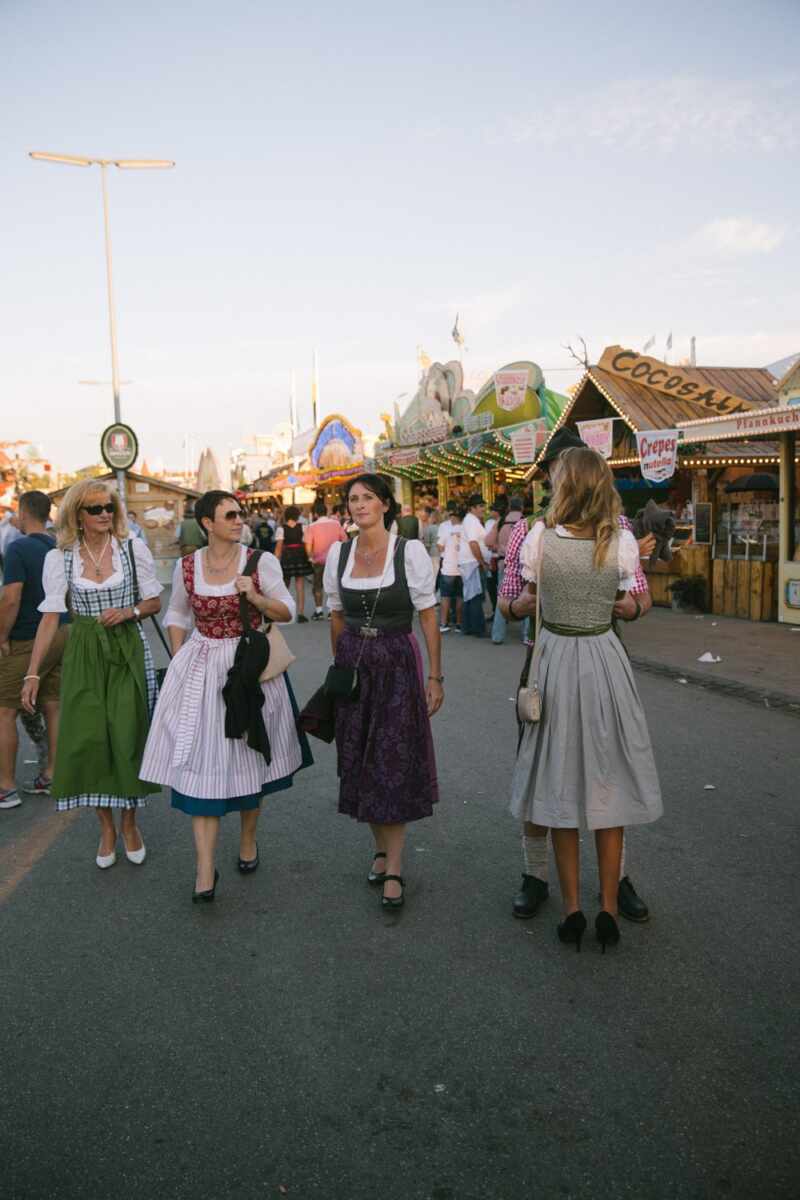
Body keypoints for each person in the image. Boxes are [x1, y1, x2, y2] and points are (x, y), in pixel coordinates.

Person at [498, 427, 655, 923]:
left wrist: (630, 610)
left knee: (606, 768)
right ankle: (536, 873)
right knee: (543, 765)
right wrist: (519, 604)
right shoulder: (528, 531)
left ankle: (613, 883)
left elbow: (641, 598)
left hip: (597, 649)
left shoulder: (617, 529)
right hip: (542, 658)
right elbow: (506, 602)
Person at [140, 489, 311, 902]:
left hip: (250, 667)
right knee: (200, 763)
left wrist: (254, 596)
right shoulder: (187, 566)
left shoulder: (260, 561)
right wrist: (181, 656)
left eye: (241, 514)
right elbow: (177, 614)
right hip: (202, 668)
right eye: (230, 515)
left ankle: (248, 838)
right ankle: (204, 870)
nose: (239, 521)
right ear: (207, 524)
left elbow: (286, 609)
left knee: (251, 755)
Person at [20, 481, 162, 868]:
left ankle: (130, 823)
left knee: (128, 733)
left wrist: (130, 612)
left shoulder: (132, 548)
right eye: (95, 509)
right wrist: (32, 674)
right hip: (83, 651)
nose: (105, 515)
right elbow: (50, 618)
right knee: (90, 737)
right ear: (77, 516)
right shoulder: (60, 558)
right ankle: (106, 828)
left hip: (127, 649)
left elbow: (153, 601)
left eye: (109, 508)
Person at [323, 474, 443, 909]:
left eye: (367, 498)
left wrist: (435, 677)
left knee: (391, 763)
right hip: (355, 665)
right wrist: (341, 672)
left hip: (396, 662)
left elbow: (428, 617)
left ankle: (394, 866)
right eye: (352, 499)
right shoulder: (338, 554)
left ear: (386, 505)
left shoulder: (408, 552)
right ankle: (379, 848)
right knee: (358, 761)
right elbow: (336, 618)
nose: (358, 505)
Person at [0, 492, 69, 808]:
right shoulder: (59, 545)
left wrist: (2, 636)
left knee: (5, 710)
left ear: (22, 511)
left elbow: (11, 598)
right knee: (52, 702)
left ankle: (6, 787)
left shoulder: (17, 547)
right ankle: (51, 775)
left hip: (29, 636)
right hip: (62, 632)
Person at [489, 496, 525, 644]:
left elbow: (488, 542)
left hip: (503, 564)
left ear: (510, 507)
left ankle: (497, 635)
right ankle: (527, 635)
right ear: (522, 507)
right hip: (523, 566)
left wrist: (500, 547)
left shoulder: (501, 522)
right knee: (526, 598)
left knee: (502, 598)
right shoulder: (526, 521)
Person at [304, 498, 346, 620]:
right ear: (326, 511)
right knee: (334, 585)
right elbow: (344, 540)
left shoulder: (311, 527)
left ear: (316, 514)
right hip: (335, 560)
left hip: (318, 561)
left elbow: (308, 545)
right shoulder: (336, 524)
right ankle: (332, 611)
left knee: (318, 586)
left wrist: (310, 557)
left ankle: (319, 611)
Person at [274, 505, 312, 622]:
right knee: (300, 585)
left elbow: (279, 548)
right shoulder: (303, 527)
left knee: (284, 585)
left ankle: (281, 611)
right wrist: (309, 557)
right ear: (297, 516)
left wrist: (275, 562)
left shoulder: (281, 529)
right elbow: (307, 544)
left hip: (287, 557)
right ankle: (300, 613)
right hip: (300, 556)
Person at [458, 493, 488, 637]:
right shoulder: (472, 521)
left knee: (470, 596)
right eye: (481, 506)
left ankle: (468, 627)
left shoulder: (471, 520)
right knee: (474, 596)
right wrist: (481, 561)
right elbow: (473, 543)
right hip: (471, 562)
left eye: (484, 506)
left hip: (469, 561)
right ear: (472, 508)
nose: (483, 509)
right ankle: (477, 628)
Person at [437, 506, 464, 633]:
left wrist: (448, 551)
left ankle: (443, 624)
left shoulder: (447, 530)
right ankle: (459, 624)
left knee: (445, 597)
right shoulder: (465, 530)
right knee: (460, 597)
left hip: (448, 568)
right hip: (462, 568)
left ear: (453, 517)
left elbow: (440, 547)